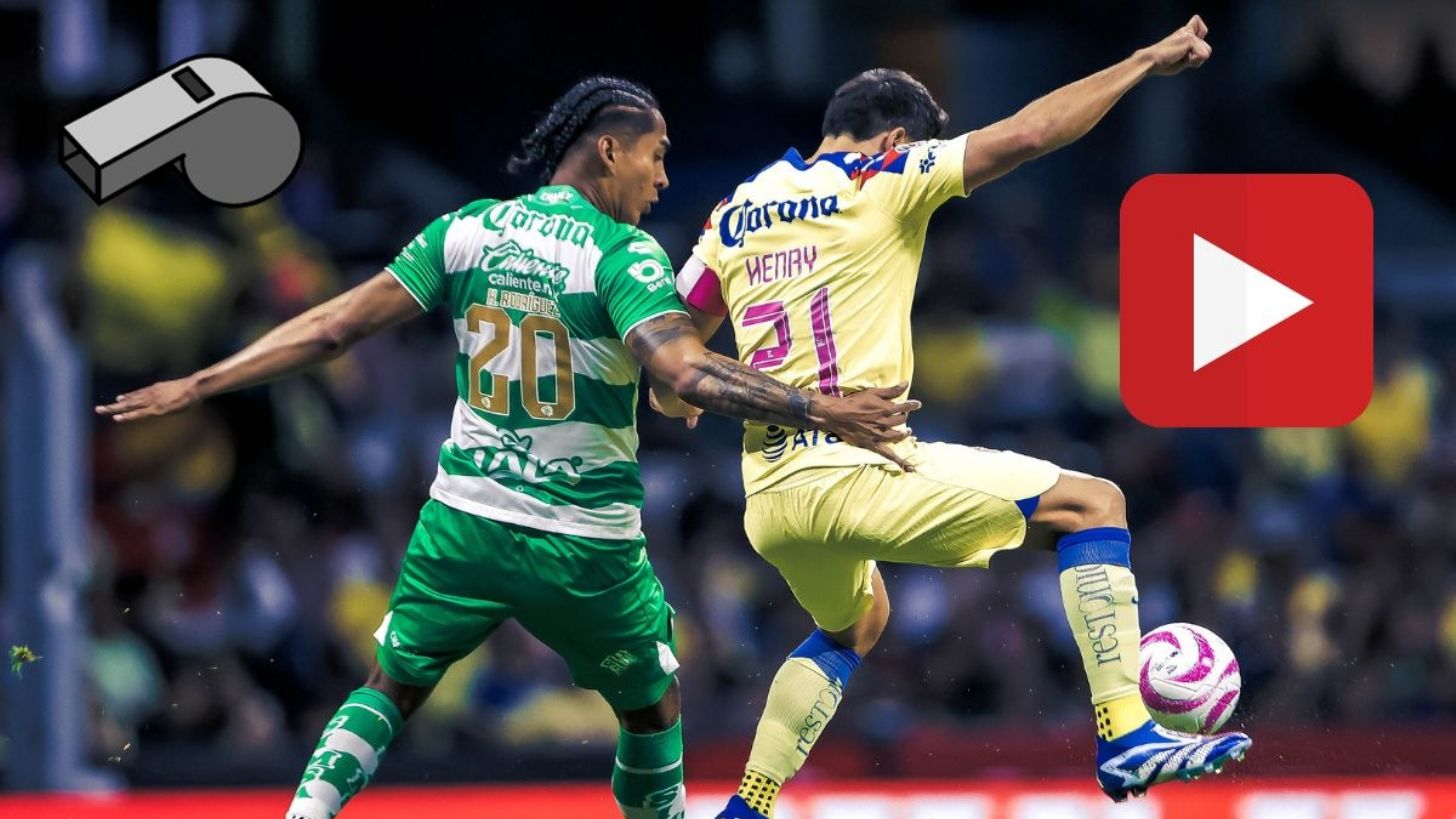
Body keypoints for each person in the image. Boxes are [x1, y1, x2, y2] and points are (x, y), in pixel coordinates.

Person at [97, 75, 918, 819]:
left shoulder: (468, 229)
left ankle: (305, 813)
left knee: (391, 685)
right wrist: (821, 407)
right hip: (583, 542)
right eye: (657, 155)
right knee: (654, 707)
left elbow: (334, 326)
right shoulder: (620, 253)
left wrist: (200, 382)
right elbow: (683, 370)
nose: (663, 178)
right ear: (609, 149)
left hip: (465, 522)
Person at [667, 17, 1250, 815]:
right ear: (895, 139)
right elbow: (1031, 133)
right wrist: (1143, 61)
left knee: (856, 623)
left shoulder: (733, 212)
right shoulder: (882, 175)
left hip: (771, 498)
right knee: (1095, 504)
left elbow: (673, 369)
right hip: (853, 471)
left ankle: (751, 803)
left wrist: (694, 395)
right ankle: (1126, 734)